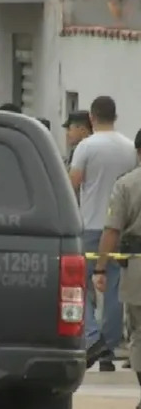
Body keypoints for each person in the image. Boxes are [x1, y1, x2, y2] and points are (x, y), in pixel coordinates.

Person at [70, 96, 137, 371]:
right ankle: (108, 348)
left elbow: (72, 183)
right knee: (112, 289)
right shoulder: (129, 147)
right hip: (118, 229)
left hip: (90, 225)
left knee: (79, 287)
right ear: (115, 116)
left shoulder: (86, 146)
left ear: (92, 119)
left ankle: (93, 336)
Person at [90, 157, 141, 409]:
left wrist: (100, 267)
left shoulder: (126, 184)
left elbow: (112, 230)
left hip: (137, 266)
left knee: (138, 330)